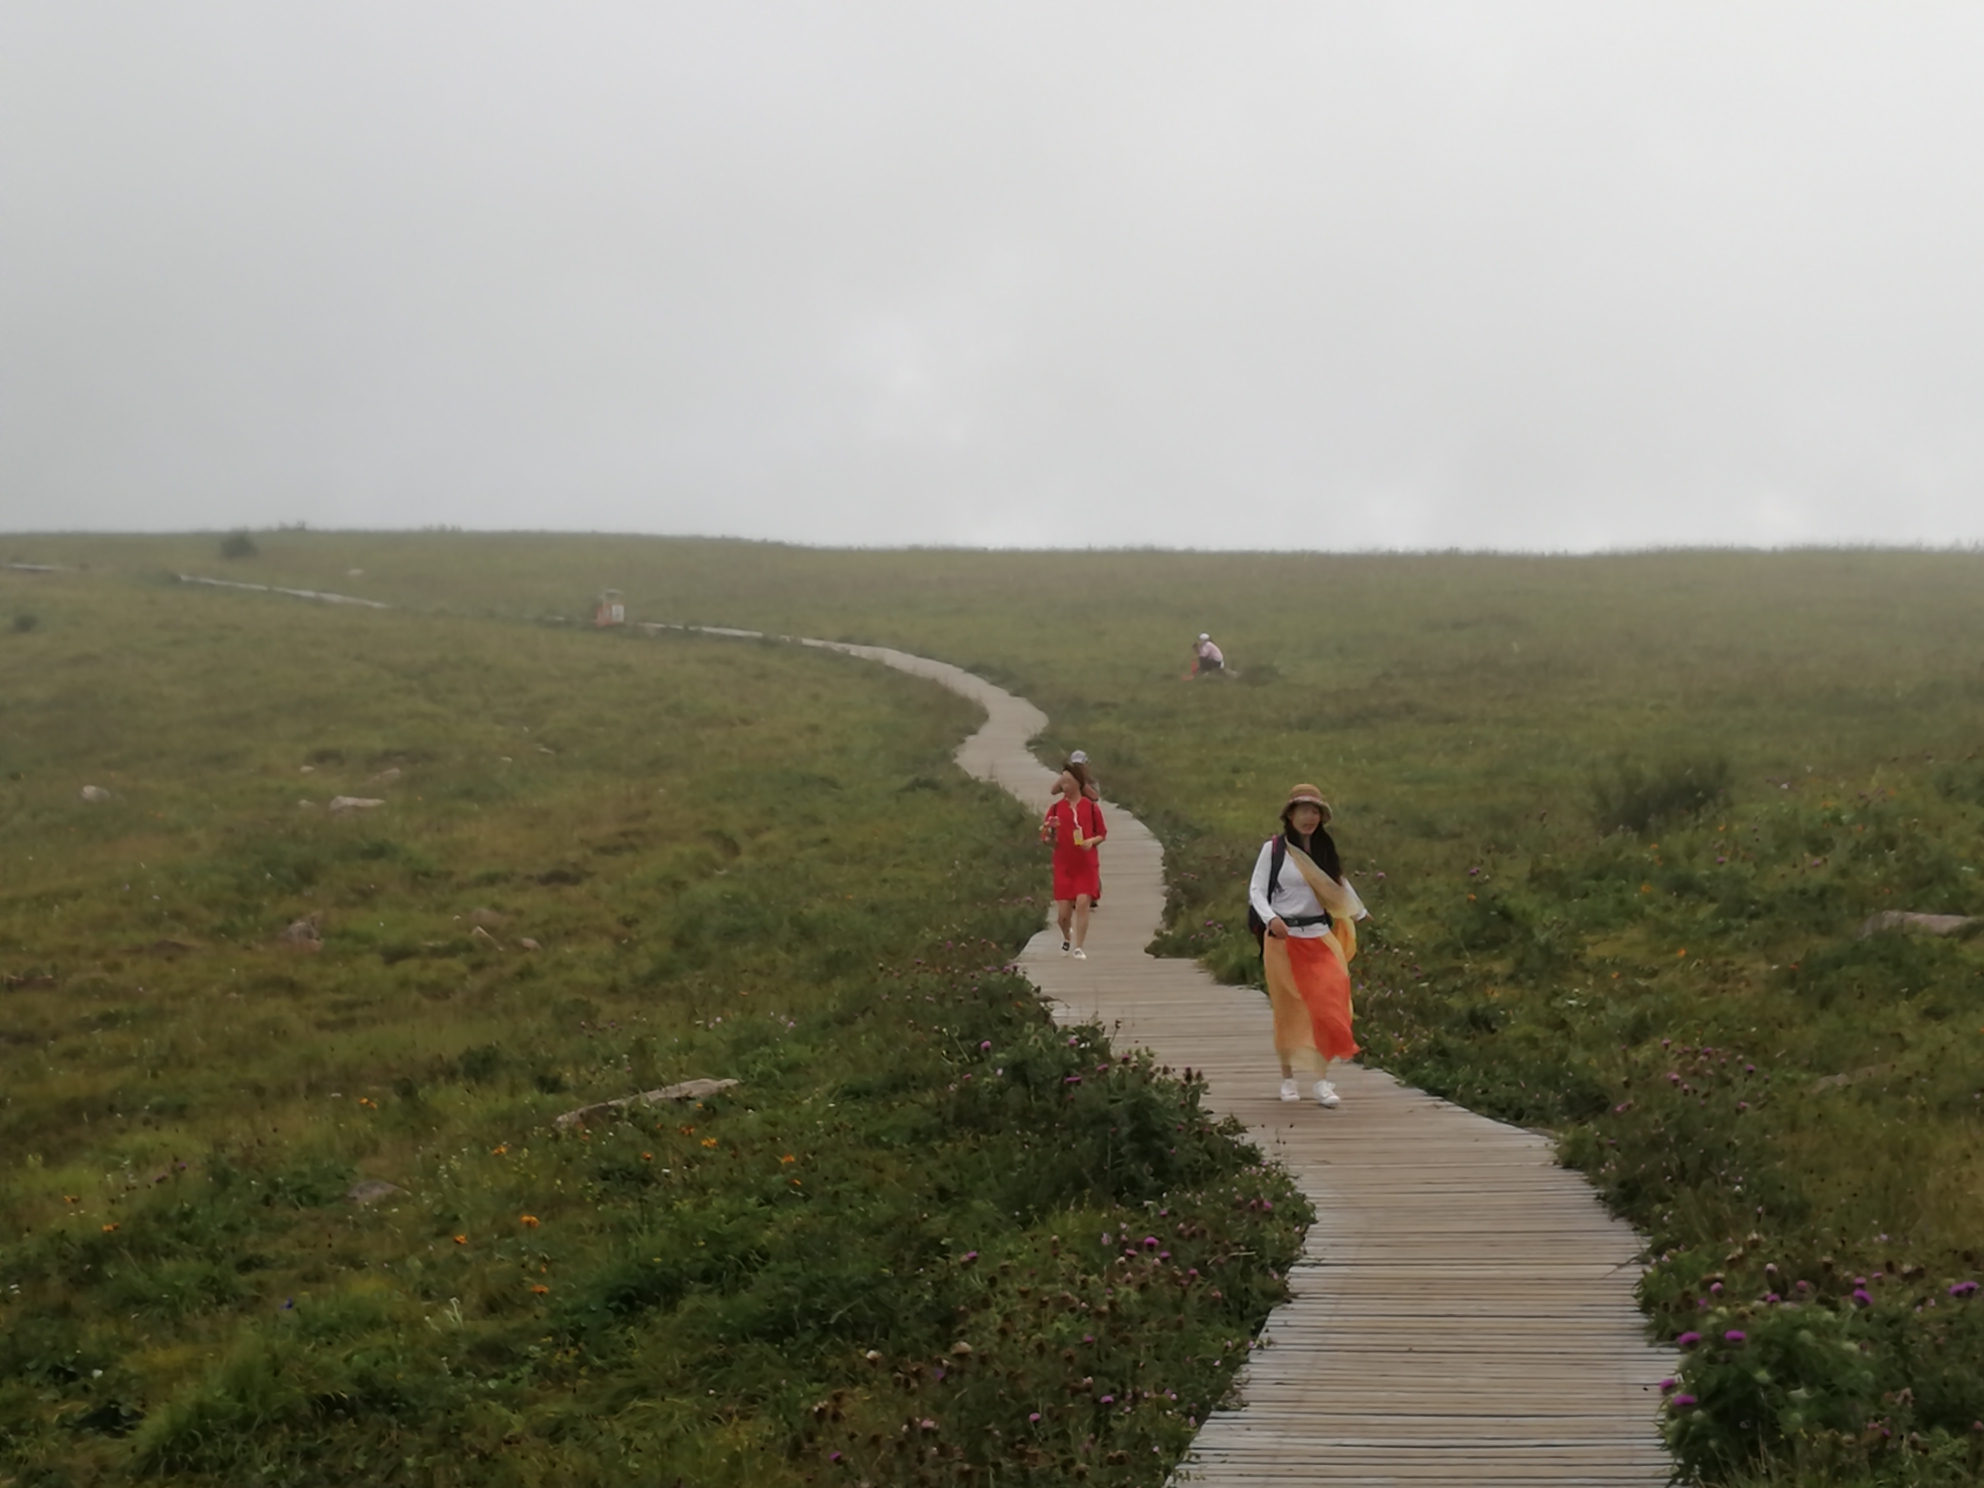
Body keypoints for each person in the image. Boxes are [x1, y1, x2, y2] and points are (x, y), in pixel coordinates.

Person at [1248, 783, 1369, 1108]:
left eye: (1314, 811)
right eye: (1303, 810)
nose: (1309, 817)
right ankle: (1288, 1079)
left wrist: (1358, 911)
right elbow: (1257, 890)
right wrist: (1271, 918)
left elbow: (1337, 885)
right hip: (1283, 941)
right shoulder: (1273, 850)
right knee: (1288, 1010)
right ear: (1290, 814)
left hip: (1319, 938)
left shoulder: (1324, 851)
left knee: (1330, 1005)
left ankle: (1322, 1081)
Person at [1041, 768, 1105, 958]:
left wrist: (1091, 841)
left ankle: (1079, 946)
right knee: (1063, 915)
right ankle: (1067, 935)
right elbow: (1046, 838)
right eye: (1063, 782)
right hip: (1064, 864)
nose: (1064, 786)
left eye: (1068, 781)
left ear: (1078, 783)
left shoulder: (1091, 808)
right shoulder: (1055, 810)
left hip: (1086, 864)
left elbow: (1102, 833)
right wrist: (1050, 836)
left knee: (1083, 901)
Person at [1064, 750, 1104, 907]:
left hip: (1089, 827)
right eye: (1075, 767)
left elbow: (1094, 797)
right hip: (1073, 826)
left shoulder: (1091, 783)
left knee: (1089, 860)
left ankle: (1091, 893)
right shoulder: (1067, 782)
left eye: (1081, 766)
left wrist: (1081, 783)